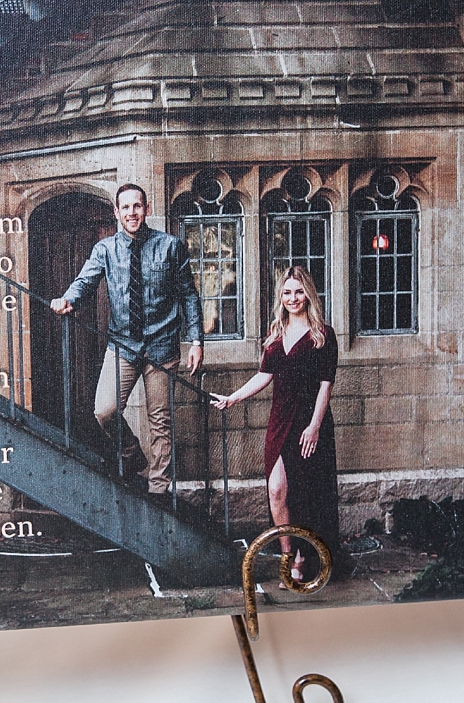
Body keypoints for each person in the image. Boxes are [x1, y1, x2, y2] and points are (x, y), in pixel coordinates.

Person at [51, 184, 204, 496]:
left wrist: (196, 341)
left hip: (162, 347)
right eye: (126, 207)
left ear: (146, 209)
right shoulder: (105, 250)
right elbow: (85, 281)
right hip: (122, 346)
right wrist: (68, 299)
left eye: (138, 206)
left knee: (160, 423)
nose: (132, 212)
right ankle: (132, 456)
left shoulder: (170, 247)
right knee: (104, 411)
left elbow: (189, 295)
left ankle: (159, 491)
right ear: (116, 213)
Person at [212, 266, 340, 580]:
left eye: (298, 291)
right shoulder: (275, 333)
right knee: (277, 490)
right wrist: (233, 398)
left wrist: (315, 426)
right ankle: (288, 554)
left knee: (307, 494)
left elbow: (326, 385)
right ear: (280, 297)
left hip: (309, 423)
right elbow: (263, 376)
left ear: (308, 294)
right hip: (280, 423)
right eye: (287, 292)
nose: (293, 298)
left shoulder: (322, 334)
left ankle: (304, 558)